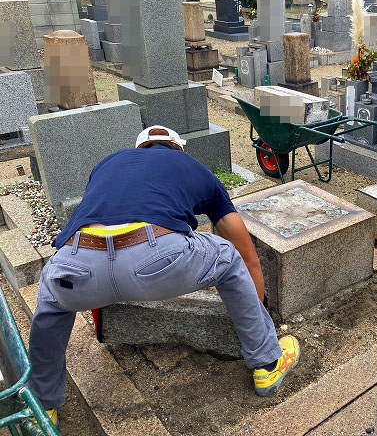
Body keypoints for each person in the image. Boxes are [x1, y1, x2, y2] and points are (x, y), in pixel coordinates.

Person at [29, 126, 300, 424]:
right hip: (155, 259)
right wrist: (258, 310)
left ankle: (42, 407)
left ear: (139, 148)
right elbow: (246, 255)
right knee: (228, 258)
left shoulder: (109, 162)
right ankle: (267, 364)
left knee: (52, 301)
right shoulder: (191, 166)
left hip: (78, 264)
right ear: (178, 149)